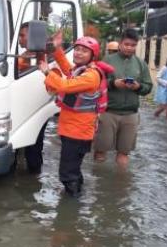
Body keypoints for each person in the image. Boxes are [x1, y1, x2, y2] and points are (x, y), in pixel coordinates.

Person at [38, 33, 114, 196]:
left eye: (84, 51)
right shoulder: (82, 70)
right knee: (73, 169)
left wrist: (46, 72)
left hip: (78, 132)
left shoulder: (91, 76)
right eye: (77, 49)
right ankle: (76, 194)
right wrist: (56, 49)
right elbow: (67, 68)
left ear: (92, 55)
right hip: (73, 129)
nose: (78, 53)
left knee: (67, 172)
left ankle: (71, 204)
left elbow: (64, 85)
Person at [93, 29, 153, 168]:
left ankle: (121, 185)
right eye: (126, 44)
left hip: (130, 115)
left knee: (124, 153)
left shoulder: (140, 64)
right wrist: (114, 84)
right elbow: (96, 82)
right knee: (101, 151)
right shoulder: (108, 60)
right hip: (108, 112)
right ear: (120, 44)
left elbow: (148, 87)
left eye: (133, 45)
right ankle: (99, 184)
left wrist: (138, 87)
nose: (129, 47)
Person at [17, 21, 48, 173]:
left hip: (36, 109)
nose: (19, 39)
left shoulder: (43, 58)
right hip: (21, 107)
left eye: (22, 35)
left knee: (34, 147)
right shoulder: (21, 57)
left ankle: (33, 177)